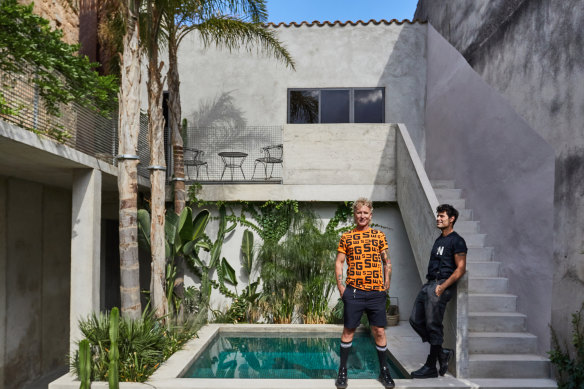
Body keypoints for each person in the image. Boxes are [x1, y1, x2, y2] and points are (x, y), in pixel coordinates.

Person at [334, 198, 394, 389]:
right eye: (359, 212)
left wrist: (387, 283)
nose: (362, 216)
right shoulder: (346, 237)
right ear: (355, 215)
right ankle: (342, 371)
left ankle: (384, 371)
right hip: (354, 292)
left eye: (365, 213)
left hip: (376, 292)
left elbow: (387, 261)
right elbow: (339, 262)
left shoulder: (379, 236)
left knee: (379, 331)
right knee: (348, 330)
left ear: (371, 215)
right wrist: (341, 286)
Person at [409, 203, 467, 378]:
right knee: (415, 320)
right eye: (438, 216)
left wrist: (443, 286)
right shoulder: (439, 239)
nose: (438, 219)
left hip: (441, 285)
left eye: (442, 216)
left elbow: (460, 268)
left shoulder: (457, 240)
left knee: (434, 325)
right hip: (429, 284)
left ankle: (431, 366)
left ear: (452, 219)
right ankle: (442, 353)